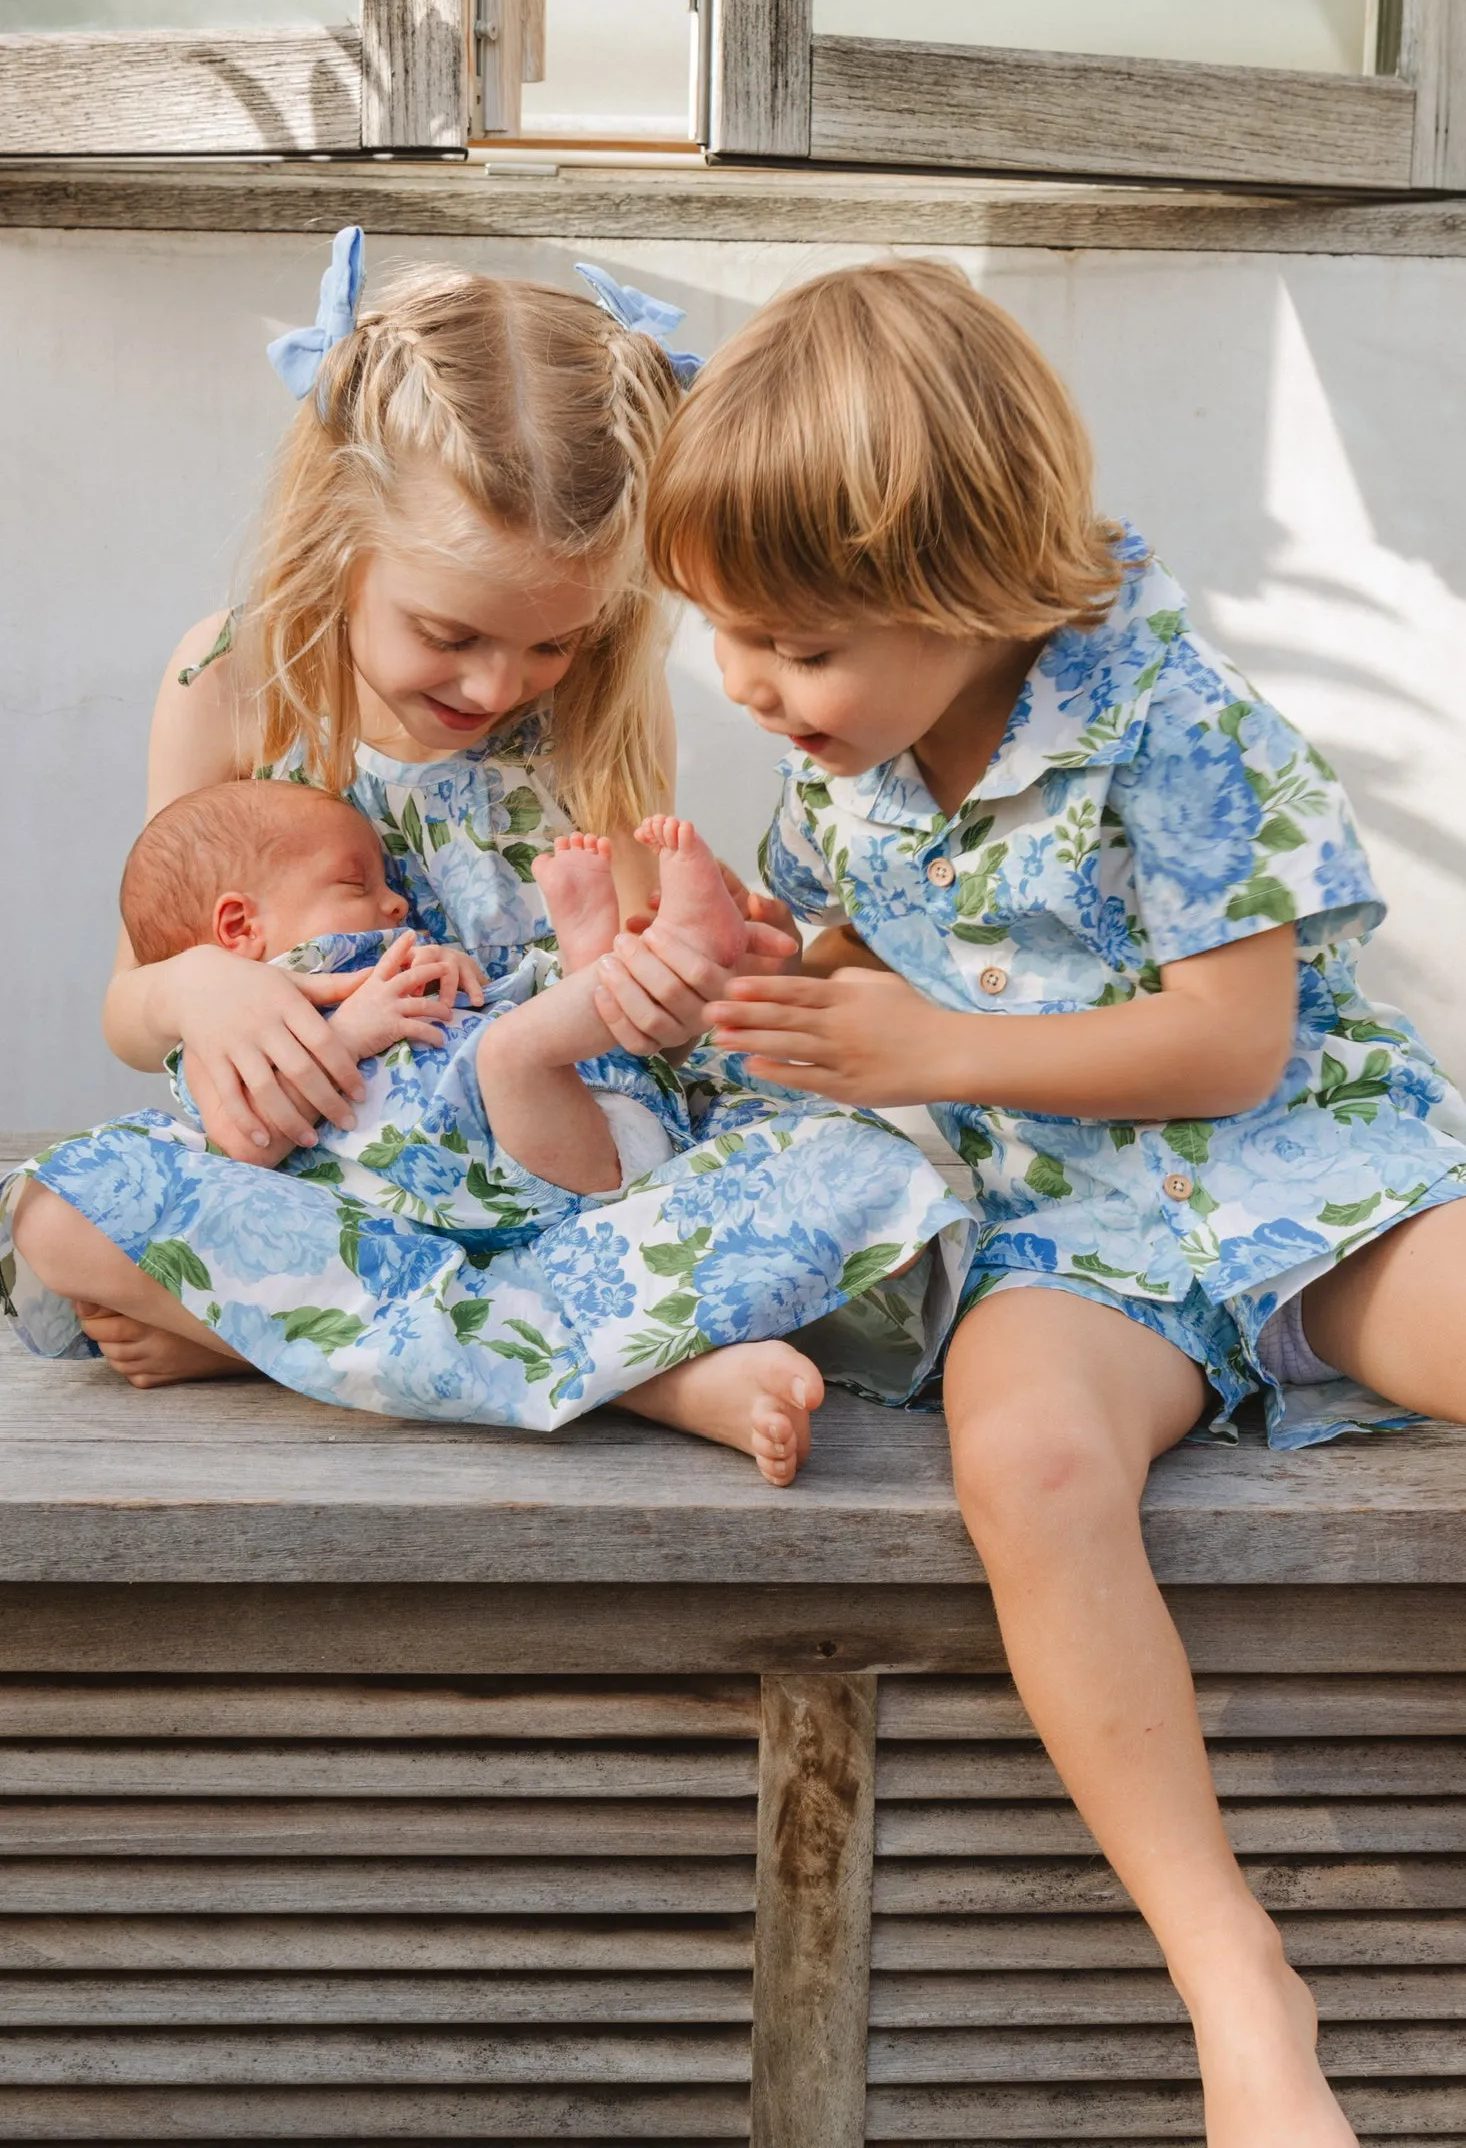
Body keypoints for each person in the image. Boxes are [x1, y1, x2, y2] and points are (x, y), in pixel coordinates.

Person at [632, 254, 1466, 2143]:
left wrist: (922, 1042)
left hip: (1298, 1170)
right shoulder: (836, 761)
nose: (757, 686)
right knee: (1028, 1464)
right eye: (726, 634)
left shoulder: (1171, 719)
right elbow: (882, 958)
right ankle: (1233, 1975)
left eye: (804, 643)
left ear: (966, 589)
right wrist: (765, 961)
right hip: (1059, 1227)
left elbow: (1229, 1045)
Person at [1, 235, 974, 1482]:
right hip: (338, 1167)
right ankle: (649, 1372)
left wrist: (693, 970)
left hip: (565, 1178)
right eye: (447, 633)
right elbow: (132, 1012)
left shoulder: (603, 709)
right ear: (340, 533)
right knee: (55, 1218)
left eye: (550, 647)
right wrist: (195, 987)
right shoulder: (231, 682)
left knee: (852, 1177)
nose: (496, 684)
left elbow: (639, 1015)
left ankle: (290, 1338)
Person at [117, 778, 760, 1214]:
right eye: (354, 881)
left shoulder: (385, 948)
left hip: (604, 1105)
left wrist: (451, 969)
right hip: (520, 1179)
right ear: (240, 928)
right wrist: (349, 1035)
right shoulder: (224, 1021)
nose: (395, 901)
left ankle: (597, 950)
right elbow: (242, 1144)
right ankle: (667, 948)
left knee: (528, 1028)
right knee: (512, 1052)